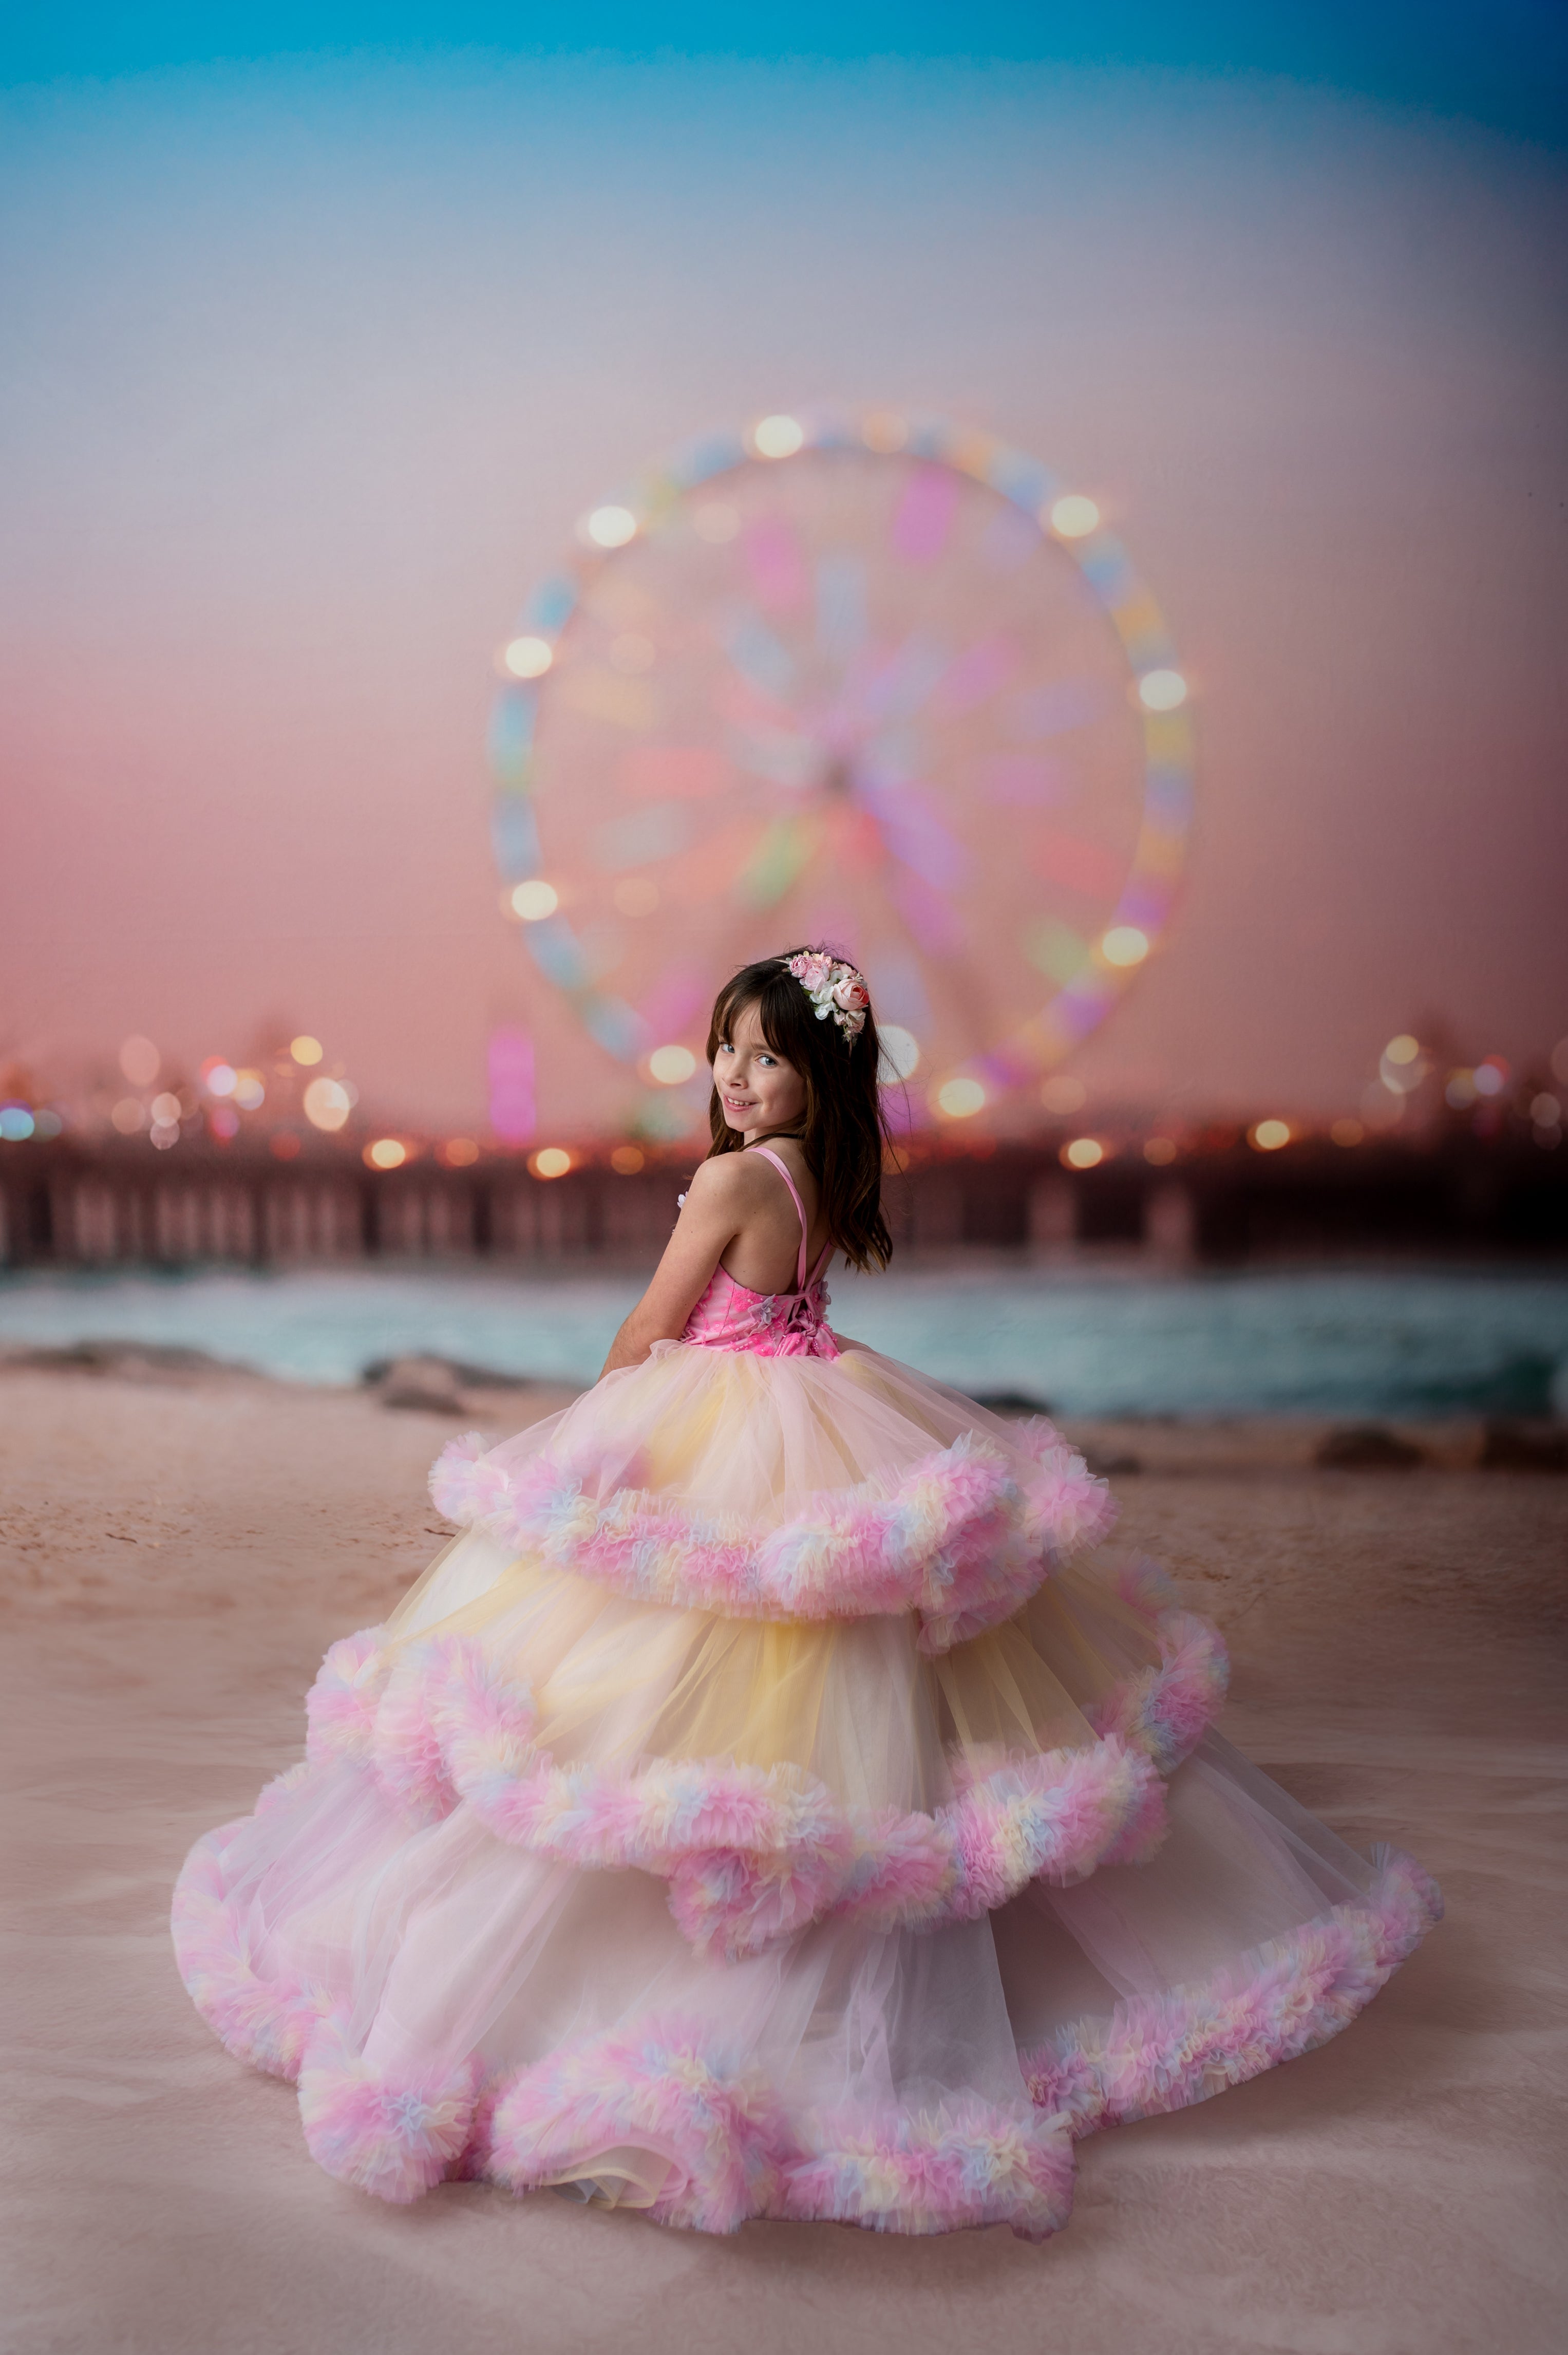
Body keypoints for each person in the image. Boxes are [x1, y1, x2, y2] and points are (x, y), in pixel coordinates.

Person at [173, 947, 1440, 2240]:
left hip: (721, 1420)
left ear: (817, 1070)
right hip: (819, 1410)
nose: (733, 1074)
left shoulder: (729, 1177)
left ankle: (620, 1986)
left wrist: (584, 1435)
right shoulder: (820, 1175)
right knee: (822, 1685)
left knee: (642, 1687)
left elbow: (652, 1327)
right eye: (724, 1047)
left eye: (766, 1055)